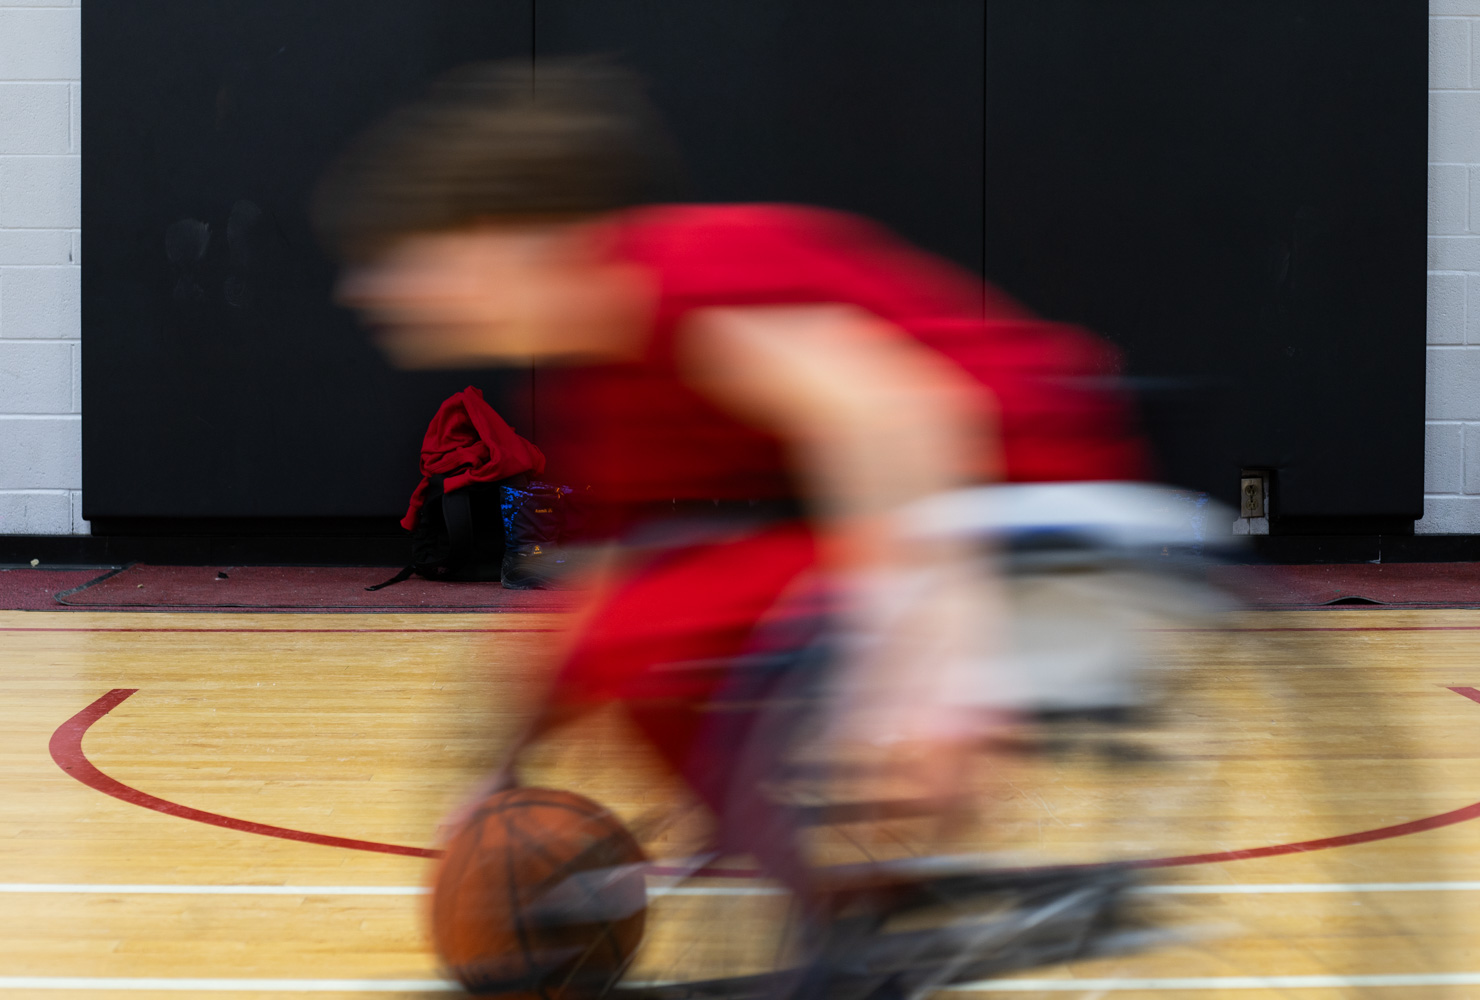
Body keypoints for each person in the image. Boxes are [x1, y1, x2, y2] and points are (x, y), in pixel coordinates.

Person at [317, 60, 1149, 878]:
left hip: (1017, 492)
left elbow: (901, 419)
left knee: (642, 631)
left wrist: (931, 676)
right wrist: (496, 776)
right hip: (929, 505)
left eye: (406, 261)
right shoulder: (599, 370)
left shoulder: (680, 280)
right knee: (621, 634)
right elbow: (591, 610)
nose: (373, 291)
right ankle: (788, 879)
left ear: (498, 238)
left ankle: (814, 883)